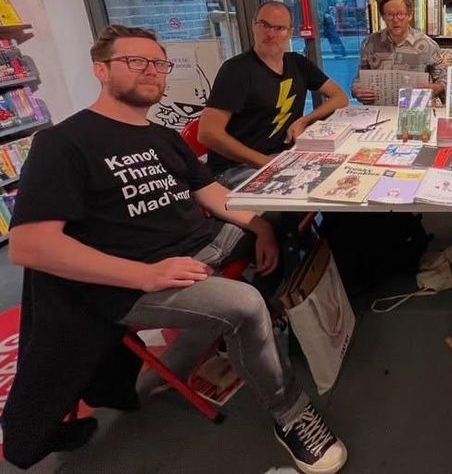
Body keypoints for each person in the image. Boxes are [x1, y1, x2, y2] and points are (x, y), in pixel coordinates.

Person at [3, 25, 347, 473]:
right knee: (243, 304)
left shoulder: (161, 137)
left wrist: (261, 226)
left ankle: (260, 341)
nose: (151, 71)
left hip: (201, 246)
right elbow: (30, 246)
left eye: (158, 63)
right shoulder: (63, 143)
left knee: (290, 218)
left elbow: (212, 196)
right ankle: (290, 411)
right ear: (100, 70)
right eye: (135, 61)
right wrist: (143, 275)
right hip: (137, 279)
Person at [199, 0, 349, 188]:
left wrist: (305, 120)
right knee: (310, 189)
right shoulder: (236, 70)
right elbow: (207, 133)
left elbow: (339, 97)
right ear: (254, 26)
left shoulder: (297, 64)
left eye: (279, 28)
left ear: (290, 32)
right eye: (264, 25)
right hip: (237, 167)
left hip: (283, 157)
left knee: (341, 179)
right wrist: (266, 163)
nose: (270, 34)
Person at [352, 0, 446, 105]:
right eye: (390, 15)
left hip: (414, 109)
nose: (396, 20)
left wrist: (436, 88)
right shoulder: (369, 43)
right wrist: (357, 91)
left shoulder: (427, 45)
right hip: (380, 109)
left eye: (400, 14)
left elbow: (444, 79)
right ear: (383, 17)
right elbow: (360, 78)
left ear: (409, 15)